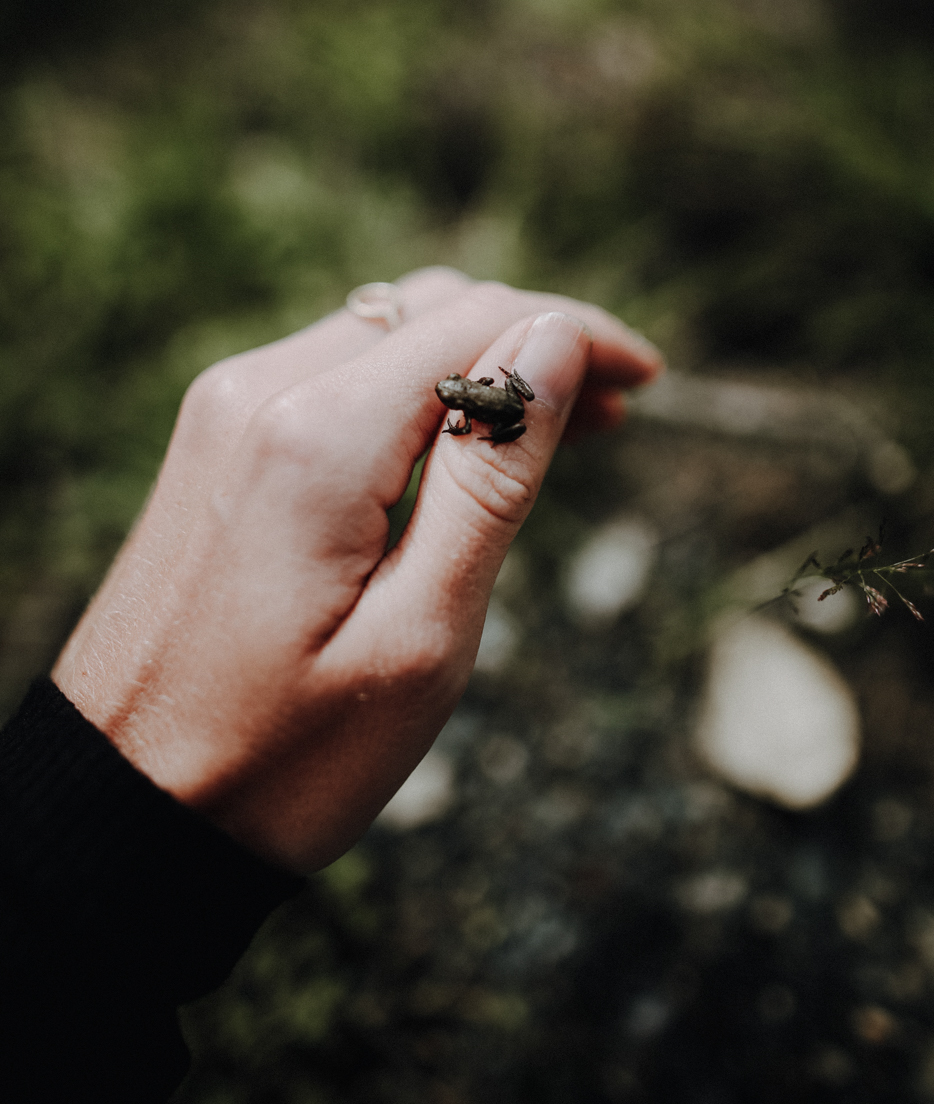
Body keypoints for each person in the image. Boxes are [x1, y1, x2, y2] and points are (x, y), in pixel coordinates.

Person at [0, 268, 662, 1102]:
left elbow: (494, 405)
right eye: (455, 393)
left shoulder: (478, 405)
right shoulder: (462, 400)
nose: (452, 395)